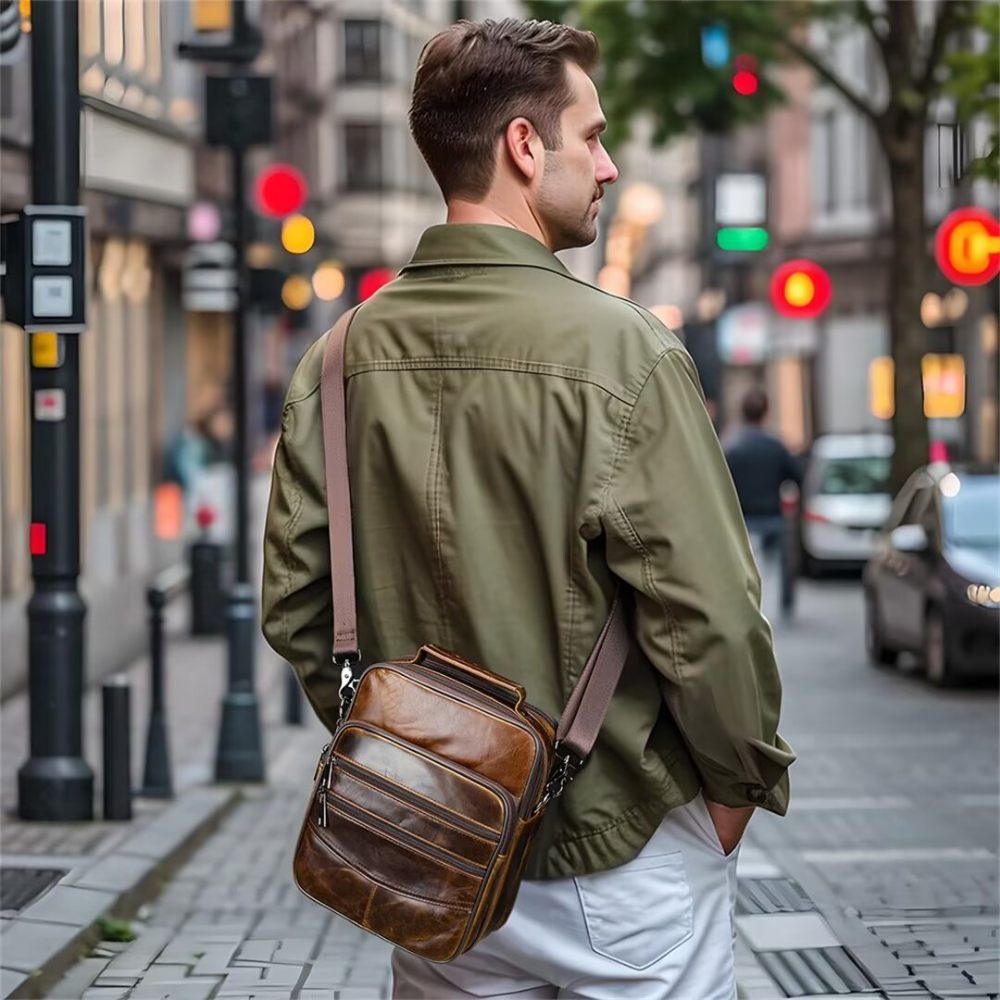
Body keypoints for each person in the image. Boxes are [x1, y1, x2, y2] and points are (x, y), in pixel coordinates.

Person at [262, 18, 793, 999]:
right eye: (589, 136)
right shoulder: (625, 354)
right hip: (618, 851)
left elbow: (298, 610)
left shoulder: (335, 364)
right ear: (520, 145)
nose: (608, 164)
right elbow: (710, 616)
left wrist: (413, 764)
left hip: (432, 858)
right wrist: (736, 790)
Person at [723, 388, 802, 582]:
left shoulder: (732, 448)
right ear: (766, 412)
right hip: (772, 518)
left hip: (743, 520)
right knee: (775, 572)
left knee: (746, 572)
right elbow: (797, 476)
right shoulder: (776, 446)